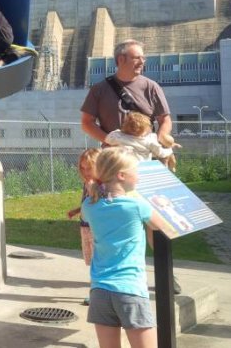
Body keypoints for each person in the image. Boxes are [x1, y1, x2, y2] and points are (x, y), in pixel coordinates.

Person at [81, 39, 181, 293]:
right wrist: (112, 142)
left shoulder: (151, 87)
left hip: (146, 169)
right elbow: (86, 122)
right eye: (137, 57)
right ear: (121, 59)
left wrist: (159, 139)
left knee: (155, 220)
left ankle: (166, 275)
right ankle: (108, 277)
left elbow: (165, 119)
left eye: (143, 57)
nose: (142, 62)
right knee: (112, 221)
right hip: (110, 169)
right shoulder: (100, 89)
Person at [82, 147, 171, 348]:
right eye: (136, 171)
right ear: (121, 175)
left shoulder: (89, 205)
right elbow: (163, 225)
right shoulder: (138, 206)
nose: (139, 176)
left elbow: (93, 208)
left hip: (99, 290)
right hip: (130, 290)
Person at [66, 148, 102, 305]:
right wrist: (77, 210)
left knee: (97, 262)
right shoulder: (87, 183)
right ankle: (96, 292)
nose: (86, 172)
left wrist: (93, 189)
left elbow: (98, 204)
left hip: (95, 229)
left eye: (90, 168)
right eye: (83, 168)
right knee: (91, 261)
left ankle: (97, 293)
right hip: (85, 227)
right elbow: (87, 203)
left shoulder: (100, 185)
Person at [105, 111, 180, 162]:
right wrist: (169, 149)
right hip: (141, 167)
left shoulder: (117, 136)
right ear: (143, 130)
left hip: (122, 166)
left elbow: (107, 139)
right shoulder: (148, 141)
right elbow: (161, 153)